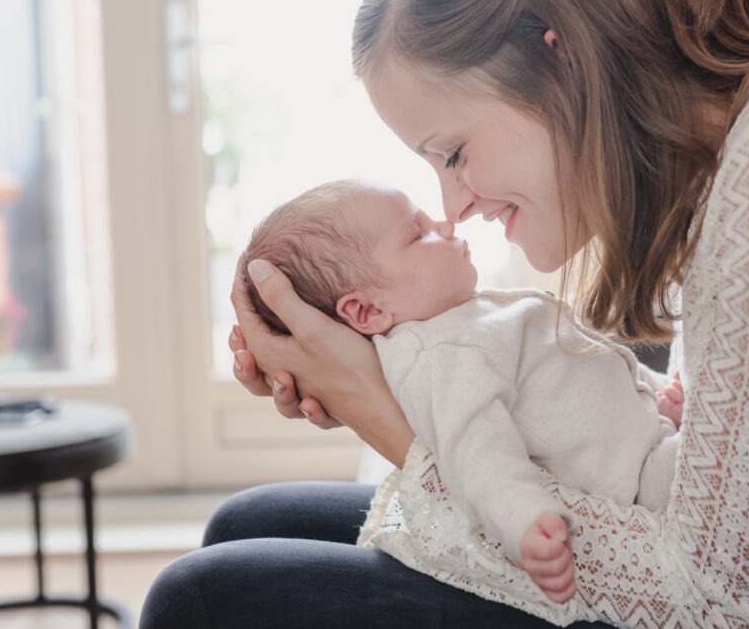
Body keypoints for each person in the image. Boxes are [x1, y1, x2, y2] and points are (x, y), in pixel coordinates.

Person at [142, 0, 749, 627]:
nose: (454, 204)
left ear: (556, 58)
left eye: (452, 152)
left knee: (205, 597)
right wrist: (380, 363)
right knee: (246, 522)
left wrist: (390, 417)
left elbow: (729, 605)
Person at [237, 179, 681, 601]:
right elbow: (477, 451)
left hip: (645, 441)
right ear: (367, 310)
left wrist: (657, 393)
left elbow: (579, 372)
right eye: (419, 234)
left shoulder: (460, 320)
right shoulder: (443, 355)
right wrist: (524, 519)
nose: (447, 225)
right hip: (642, 483)